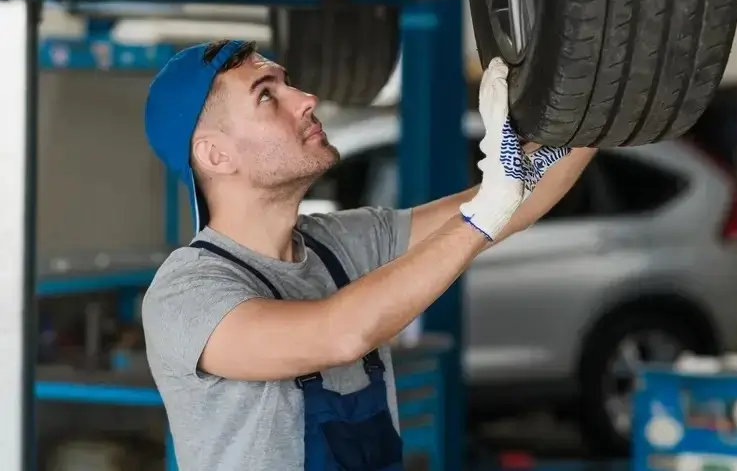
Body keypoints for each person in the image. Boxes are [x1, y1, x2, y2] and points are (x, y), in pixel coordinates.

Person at [141, 38, 596, 471]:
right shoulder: (186, 294)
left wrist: (609, 88)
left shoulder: (340, 244)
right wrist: (484, 213)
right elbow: (339, 335)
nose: (305, 99)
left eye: (287, 83)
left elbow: (512, 203)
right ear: (216, 155)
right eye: (266, 96)